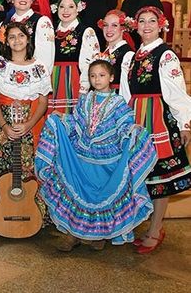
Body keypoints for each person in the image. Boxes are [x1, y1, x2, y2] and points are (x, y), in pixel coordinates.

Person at [36, 59, 157, 251]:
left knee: (100, 196)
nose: (97, 79)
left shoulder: (118, 103)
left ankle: (97, 235)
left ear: (111, 77)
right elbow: (77, 123)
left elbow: (123, 125)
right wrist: (62, 119)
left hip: (106, 159)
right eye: (93, 76)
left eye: (101, 75)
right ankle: (73, 234)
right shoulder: (85, 99)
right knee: (78, 193)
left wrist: (131, 130)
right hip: (82, 156)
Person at [120, 6, 191, 253]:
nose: (147, 25)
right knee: (142, 173)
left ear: (161, 25)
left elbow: (177, 92)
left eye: (152, 21)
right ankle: (147, 224)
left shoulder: (165, 55)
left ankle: (155, 228)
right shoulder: (131, 57)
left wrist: (184, 124)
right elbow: (125, 92)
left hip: (157, 117)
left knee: (161, 176)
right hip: (136, 118)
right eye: (142, 21)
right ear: (135, 26)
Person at [0, 23, 50, 217]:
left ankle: (30, 212)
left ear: (27, 39)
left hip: (29, 121)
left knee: (27, 167)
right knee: (2, 167)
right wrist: (4, 126)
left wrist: (29, 124)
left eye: (20, 36)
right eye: (11, 37)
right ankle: (1, 212)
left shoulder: (38, 67)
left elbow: (43, 101)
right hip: (3, 123)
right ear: (6, 41)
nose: (16, 40)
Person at [49, 0, 100, 114]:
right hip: (52, 80)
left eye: (71, 7)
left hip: (73, 80)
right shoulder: (51, 30)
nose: (66, 10)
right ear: (57, 9)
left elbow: (91, 64)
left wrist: (83, 88)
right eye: (62, 6)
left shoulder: (86, 31)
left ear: (78, 9)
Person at [4, 0, 55, 74]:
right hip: (8, 73)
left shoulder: (42, 21)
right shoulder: (5, 23)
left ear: (32, 0)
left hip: (31, 75)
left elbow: (46, 56)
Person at [97, 9, 134, 92]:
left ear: (123, 28)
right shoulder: (104, 52)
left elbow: (127, 88)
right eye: (105, 25)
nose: (109, 29)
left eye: (114, 25)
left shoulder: (128, 54)